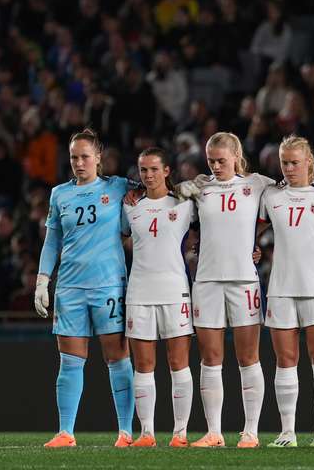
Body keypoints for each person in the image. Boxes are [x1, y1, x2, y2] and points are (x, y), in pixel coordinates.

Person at [35, 129, 135, 447]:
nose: (79, 163)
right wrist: (42, 280)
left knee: (118, 358)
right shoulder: (59, 194)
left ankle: (126, 432)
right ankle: (66, 432)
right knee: (70, 360)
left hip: (108, 285)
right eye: (74, 157)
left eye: (85, 156)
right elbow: (53, 241)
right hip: (70, 288)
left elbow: (153, 200)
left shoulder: (118, 187)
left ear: (98, 158)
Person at [188, 132, 275, 448]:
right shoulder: (201, 188)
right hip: (208, 280)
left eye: (221, 160)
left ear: (237, 156)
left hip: (242, 280)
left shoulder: (258, 184)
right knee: (210, 358)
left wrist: (254, 239)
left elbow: (280, 206)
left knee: (248, 357)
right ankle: (214, 433)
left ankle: (250, 432)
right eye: (211, 160)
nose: (215, 166)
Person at [259, 135, 314, 447]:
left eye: (295, 162)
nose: (289, 168)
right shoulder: (270, 196)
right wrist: (253, 246)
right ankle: (288, 432)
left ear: (310, 161)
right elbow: (251, 228)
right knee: (286, 360)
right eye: (284, 162)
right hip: (280, 287)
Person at [121, 148, 196, 448]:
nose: (148, 175)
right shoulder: (130, 206)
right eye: (143, 170)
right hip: (139, 291)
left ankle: (180, 433)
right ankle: (147, 433)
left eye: (154, 169)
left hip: (175, 289)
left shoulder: (184, 203)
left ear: (166, 170)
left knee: (179, 363)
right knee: (143, 365)